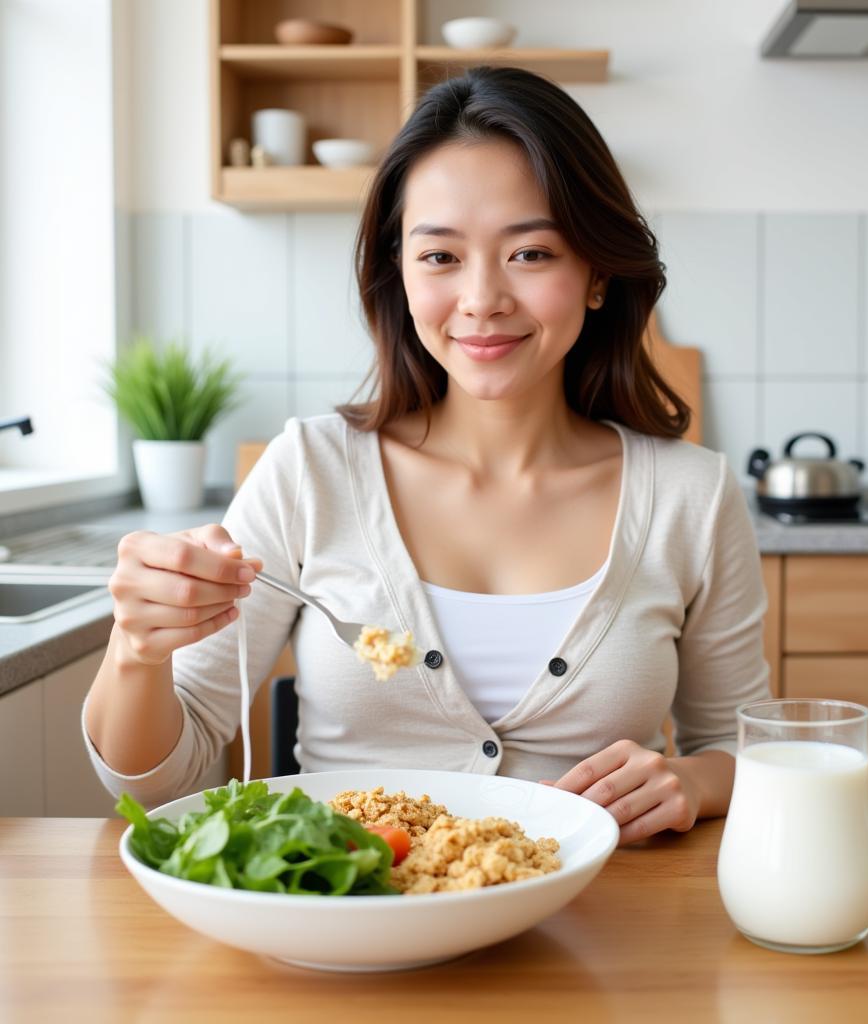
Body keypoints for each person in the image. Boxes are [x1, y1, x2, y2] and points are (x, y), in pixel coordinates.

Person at [84, 66, 770, 846]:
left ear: (598, 275)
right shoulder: (311, 471)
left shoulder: (693, 495)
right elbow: (162, 779)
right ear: (400, 274)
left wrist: (693, 780)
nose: (482, 299)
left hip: (602, 935)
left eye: (532, 253)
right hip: (352, 929)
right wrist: (136, 651)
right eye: (441, 257)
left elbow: (742, 745)